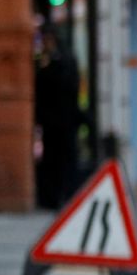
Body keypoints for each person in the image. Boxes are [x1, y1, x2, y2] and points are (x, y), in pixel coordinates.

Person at [34, 22, 88, 209]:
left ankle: (68, 197)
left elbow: (68, 87)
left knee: (66, 161)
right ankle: (53, 198)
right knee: (51, 162)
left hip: (65, 122)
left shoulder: (63, 60)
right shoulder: (44, 60)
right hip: (51, 123)